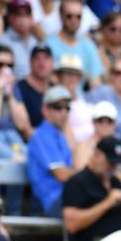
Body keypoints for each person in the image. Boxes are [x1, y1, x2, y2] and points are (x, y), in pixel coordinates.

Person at [61, 136, 121, 241]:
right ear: (97, 155)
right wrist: (107, 203)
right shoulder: (77, 182)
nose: (113, 167)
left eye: (116, 163)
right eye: (110, 162)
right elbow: (71, 224)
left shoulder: (115, 181)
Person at [26, 86, 76, 217]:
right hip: (51, 203)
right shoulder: (41, 135)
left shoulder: (60, 135)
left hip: (66, 197)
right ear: (45, 110)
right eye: (58, 107)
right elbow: (62, 174)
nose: (64, 112)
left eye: (67, 108)